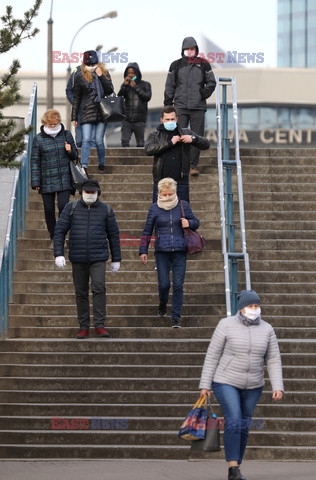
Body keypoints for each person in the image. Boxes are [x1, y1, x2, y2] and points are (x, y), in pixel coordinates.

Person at [199, 290, 284, 480]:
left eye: (256, 306)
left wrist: (277, 386)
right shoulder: (226, 325)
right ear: (242, 308)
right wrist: (205, 384)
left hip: (254, 385)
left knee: (244, 425)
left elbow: (273, 359)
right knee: (235, 419)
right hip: (226, 381)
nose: (254, 309)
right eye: (250, 306)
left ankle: (237, 466)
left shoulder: (267, 329)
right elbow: (213, 354)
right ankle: (232, 468)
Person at [53, 179, 122, 339]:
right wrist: (59, 253)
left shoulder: (106, 210)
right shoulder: (71, 208)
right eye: (87, 192)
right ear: (81, 192)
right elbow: (60, 230)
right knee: (81, 292)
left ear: (98, 193)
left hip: (98, 258)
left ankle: (99, 325)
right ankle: (83, 326)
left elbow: (113, 235)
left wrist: (116, 258)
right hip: (78, 257)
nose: (90, 195)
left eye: (93, 192)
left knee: (99, 289)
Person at [139, 177, 199, 328]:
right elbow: (147, 230)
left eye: (170, 194)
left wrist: (189, 223)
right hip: (162, 251)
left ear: (174, 192)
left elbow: (196, 222)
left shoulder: (183, 205)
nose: (167, 197)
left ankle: (176, 317)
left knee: (178, 285)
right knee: (164, 284)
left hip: (180, 250)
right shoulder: (154, 208)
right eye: (165, 194)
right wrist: (143, 250)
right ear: (159, 193)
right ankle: (163, 303)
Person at [164, 36, 216, 176]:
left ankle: (193, 165)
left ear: (196, 50)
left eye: (192, 48)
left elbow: (212, 82)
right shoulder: (175, 65)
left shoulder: (204, 64)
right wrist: (168, 104)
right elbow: (170, 85)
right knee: (179, 135)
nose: (189, 51)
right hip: (180, 106)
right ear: (183, 50)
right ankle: (180, 165)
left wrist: (204, 93)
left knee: (196, 137)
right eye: (187, 48)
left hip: (198, 107)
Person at [31, 109, 78, 250]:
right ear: (46, 122)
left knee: (64, 208)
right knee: (49, 210)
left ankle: (61, 236)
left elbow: (75, 155)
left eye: (55, 124)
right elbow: (34, 161)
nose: (53, 126)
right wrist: (35, 182)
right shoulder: (38, 139)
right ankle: (54, 236)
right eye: (50, 124)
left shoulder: (66, 134)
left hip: (64, 178)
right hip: (46, 180)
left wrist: (70, 150)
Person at [145, 106, 210, 204]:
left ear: (177, 119)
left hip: (181, 181)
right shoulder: (155, 135)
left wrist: (193, 138)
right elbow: (148, 149)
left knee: (183, 211)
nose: (170, 121)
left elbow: (206, 144)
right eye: (167, 119)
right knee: (159, 212)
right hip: (161, 181)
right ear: (162, 120)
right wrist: (170, 143)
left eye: (172, 119)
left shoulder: (185, 132)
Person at [71, 50, 114, 175]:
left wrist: (101, 76)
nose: (91, 67)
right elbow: (77, 97)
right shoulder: (79, 76)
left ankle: (101, 164)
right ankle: (84, 165)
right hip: (86, 112)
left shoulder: (104, 73)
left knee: (99, 140)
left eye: (93, 64)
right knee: (86, 139)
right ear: (84, 64)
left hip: (102, 111)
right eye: (89, 65)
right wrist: (74, 116)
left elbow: (110, 90)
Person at [118, 62, 152, 147]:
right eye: (128, 73)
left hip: (140, 120)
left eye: (132, 73)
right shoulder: (125, 85)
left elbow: (147, 97)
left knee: (140, 143)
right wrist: (124, 86)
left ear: (137, 73)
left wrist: (135, 86)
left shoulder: (145, 84)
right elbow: (119, 98)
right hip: (127, 119)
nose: (130, 75)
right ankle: (125, 160)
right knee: (124, 142)